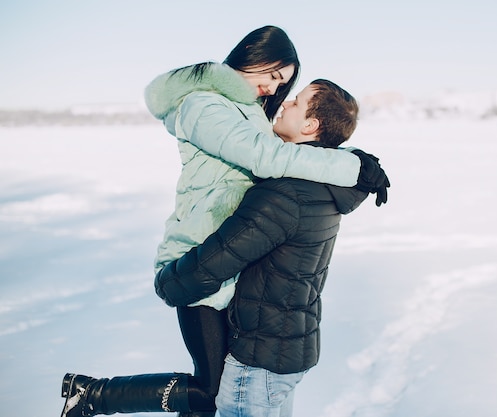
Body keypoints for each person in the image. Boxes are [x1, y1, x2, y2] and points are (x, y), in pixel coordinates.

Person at [59, 26, 389, 417]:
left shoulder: (249, 110)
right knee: (211, 391)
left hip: (235, 262)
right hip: (201, 260)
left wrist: (347, 153)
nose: (274, 89)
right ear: (252, 55)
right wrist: (350, 164)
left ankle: (93, 395)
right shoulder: (205, 106)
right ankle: (95, 395)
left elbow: (297, 145)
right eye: (273, 75)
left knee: (212, 394)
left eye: (283, 84)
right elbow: (268, 158)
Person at [154, 79, 374, 417]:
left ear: (310, 125)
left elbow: (219, 259)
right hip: (290, 349)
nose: (285, 103)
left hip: (260, 361)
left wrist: (170, 282)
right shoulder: (328, 184)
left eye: (297, 102)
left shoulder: (285, 193)